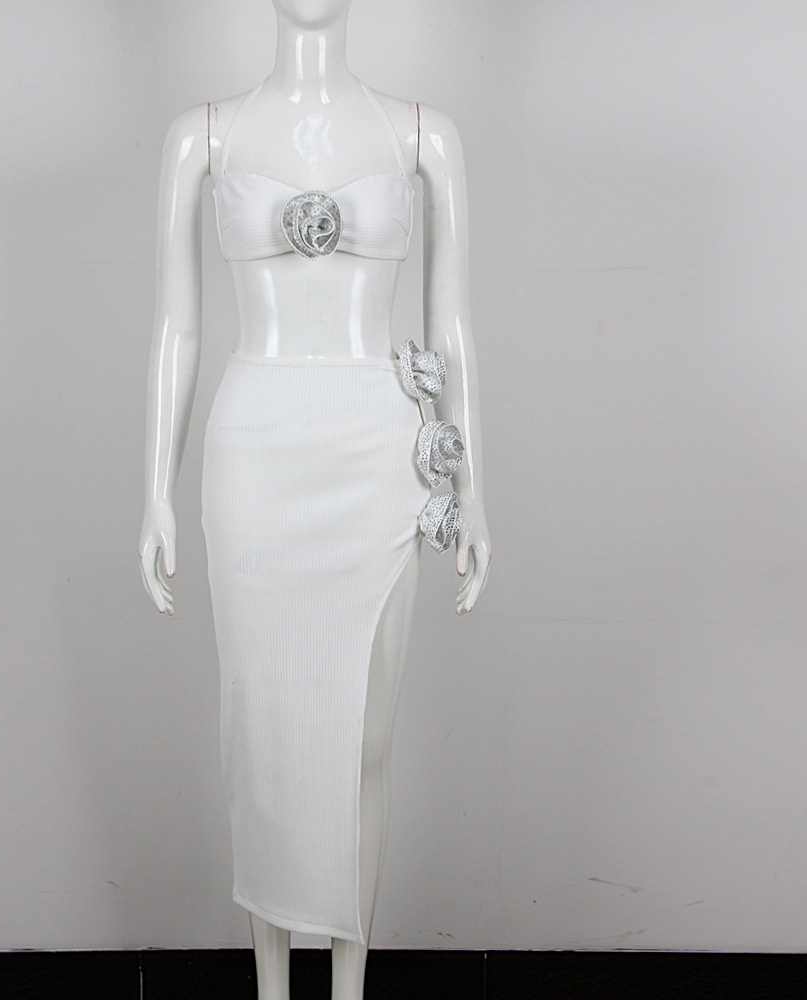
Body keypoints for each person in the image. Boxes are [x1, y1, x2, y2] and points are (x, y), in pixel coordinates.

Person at [139, 1, 490, 996]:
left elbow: (452, 326)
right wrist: (154, 491)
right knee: (262, 733)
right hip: (253, 453)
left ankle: (346, 986)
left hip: (376, 454)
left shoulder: (423, 134)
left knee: (363, 742)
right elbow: (176, 329)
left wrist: (474, 490)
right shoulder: (201, 136)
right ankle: (269, 984)